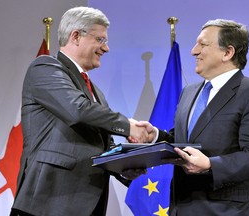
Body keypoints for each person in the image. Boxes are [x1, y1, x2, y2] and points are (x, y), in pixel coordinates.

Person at [10, 6, 149, 216]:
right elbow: (78, 111)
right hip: (49, 202)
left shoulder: (96, 92)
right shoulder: (45, 68)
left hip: (87, 204)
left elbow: (103, 147)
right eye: (101, 40)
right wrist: (128, 126)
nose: (106, 48)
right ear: (76, 36)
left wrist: (122, 166)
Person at [138, 19, 249, 215]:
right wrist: (154, 136)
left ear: (227, 52)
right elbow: (183, 142)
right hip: (181, 208)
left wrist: (211, 165)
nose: (193, 51)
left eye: (203, 44)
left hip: (228, 211)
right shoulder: (189, 91)